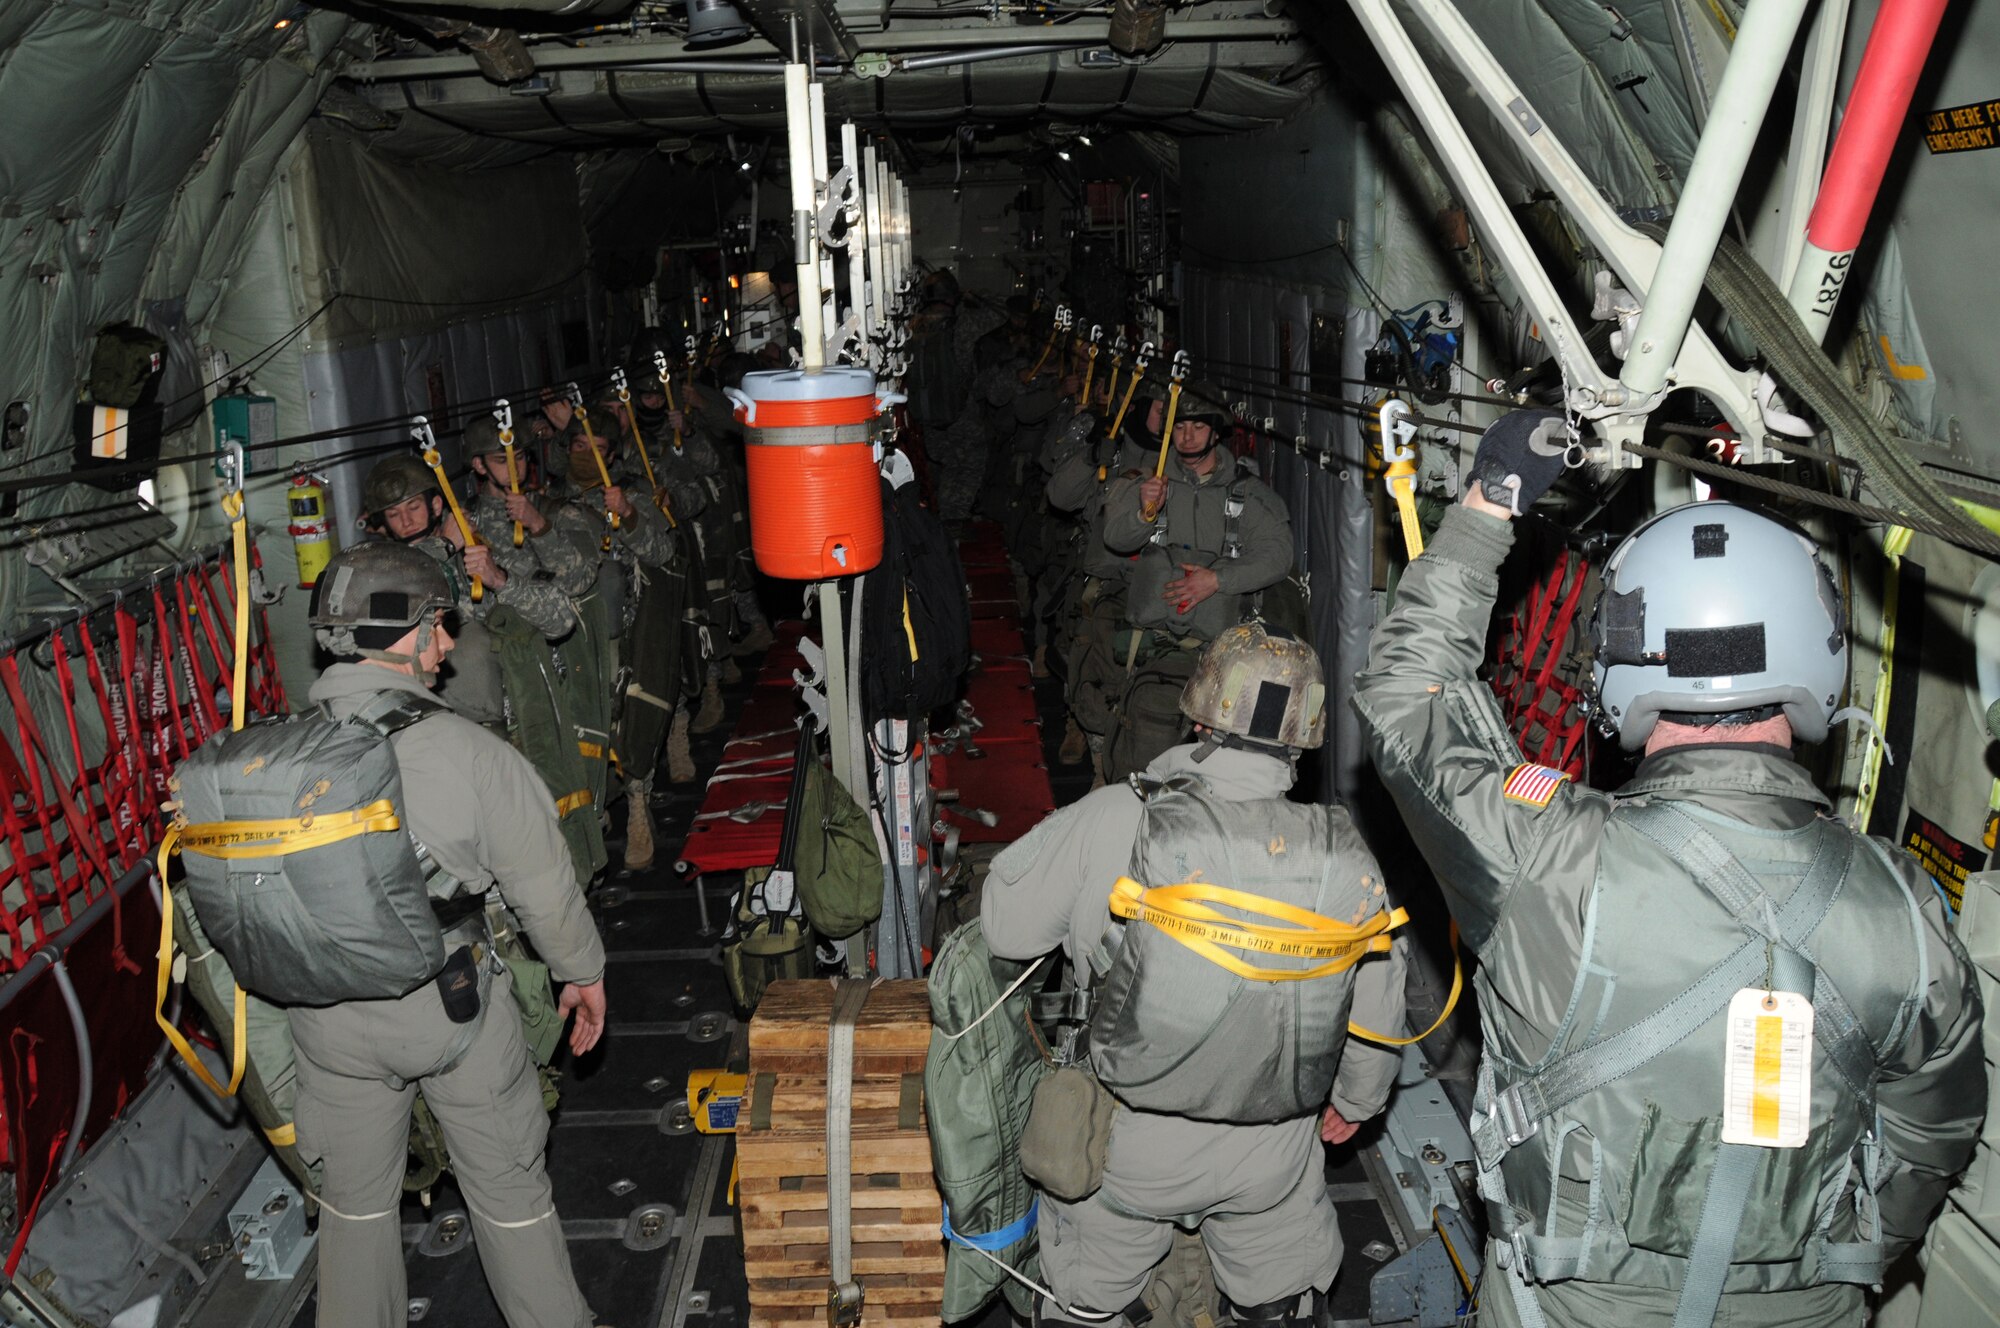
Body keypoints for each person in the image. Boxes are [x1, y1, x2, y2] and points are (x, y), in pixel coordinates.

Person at [1353, 411, 1987, 1328]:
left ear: (1614, 660)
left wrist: (1490, 506)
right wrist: (1844, 1258)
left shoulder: (1547, 861)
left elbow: (1408, 697)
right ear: (1821, 652)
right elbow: (1936, 1133)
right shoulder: (1907, 913)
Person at [982, 622, 1409, 1328]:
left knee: (1087, 1298)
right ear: (1306, 735)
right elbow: (1376, 1005)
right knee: (1281, 1295)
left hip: (1122, 1147)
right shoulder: (1339, 854)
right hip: (1268, 1151)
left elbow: (1004, 926)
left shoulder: (1116, 816)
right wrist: (1359, 1102)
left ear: (1199, 711)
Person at [298, 541, 608, 1328]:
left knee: (355, 1213)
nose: (446, 649)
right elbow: (545, 887)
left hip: (325, 1019)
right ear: (402, 632)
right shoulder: (469, 751)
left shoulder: (274, 752)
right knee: (507, 1191)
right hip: (449, 1008)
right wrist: (583, 973)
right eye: (438, 627)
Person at [1098, 388, 1293, 781]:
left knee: (1221, 766)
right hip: (1156, 649)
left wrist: (1218, 581)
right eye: (1180, 426)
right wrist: (1143, 511)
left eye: (1198, 426)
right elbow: (1115, 539)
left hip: (1224, 655)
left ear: (1216, 433)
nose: (1187, 436)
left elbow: (1278, 557)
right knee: (1143, 756)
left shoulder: (1250, 494)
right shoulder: (1149, 483)